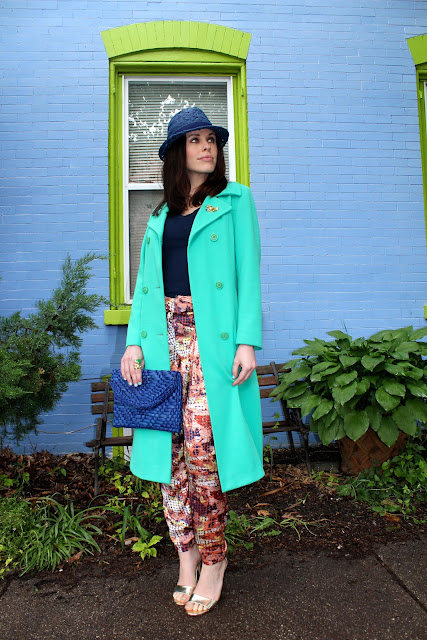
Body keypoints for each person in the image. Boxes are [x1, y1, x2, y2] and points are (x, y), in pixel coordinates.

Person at [120, 106, 263, 616]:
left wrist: (246, 341)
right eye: (194, 139)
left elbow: (249, 272)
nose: (207, 147)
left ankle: (215, 561)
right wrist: (134, 343)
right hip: (164, 345)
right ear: (177, 152)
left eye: (211, 139)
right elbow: (145, 286)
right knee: (170, 458)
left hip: (213, 346)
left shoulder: (236, 200)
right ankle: (187, 557)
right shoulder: (160, 215)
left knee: (204, 454)